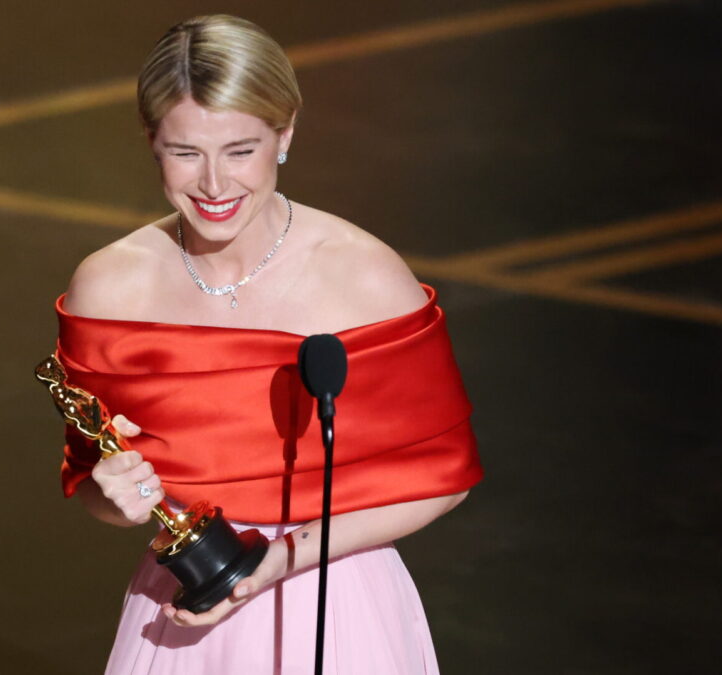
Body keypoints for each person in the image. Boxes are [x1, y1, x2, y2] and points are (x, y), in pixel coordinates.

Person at [52, 14, 482, 674]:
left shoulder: (362, 276)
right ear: (150, 139)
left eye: (240, 150)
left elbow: (443, 478)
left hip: (335, 600)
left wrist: (278, 560)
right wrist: (112, 499)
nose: (214, 185)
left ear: (286, 133)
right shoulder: (108, 288)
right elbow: (94, 479)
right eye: (186, 152)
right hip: (185, 608)